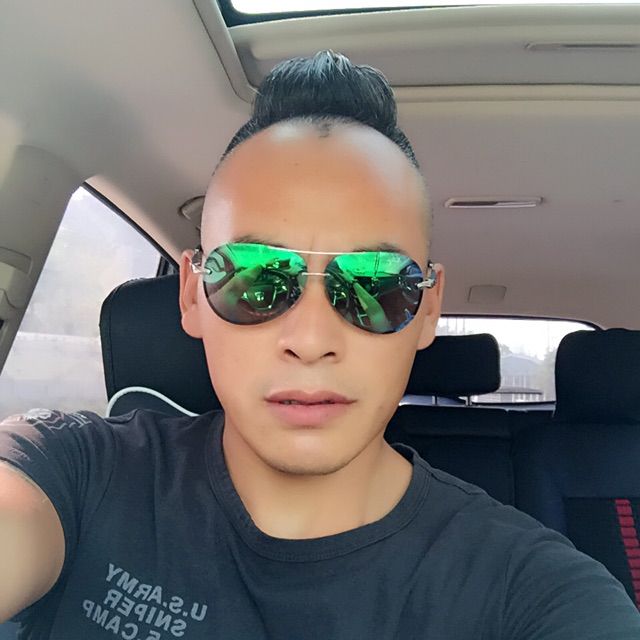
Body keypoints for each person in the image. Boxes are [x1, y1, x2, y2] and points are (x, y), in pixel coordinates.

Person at [0, 51, 639, 640]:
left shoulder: (533, 593)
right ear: (192, 295)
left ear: (427, 309)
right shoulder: (75, 472)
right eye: (255, 276)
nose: (310, 340)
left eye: (375, 284)